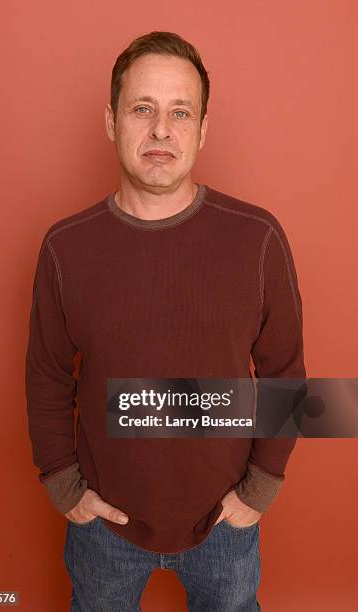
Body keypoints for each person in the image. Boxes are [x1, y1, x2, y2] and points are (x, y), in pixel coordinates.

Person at [25, 30, 306, 611]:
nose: (161, 130)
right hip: (103, 526)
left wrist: (261, 489)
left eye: (181, 112)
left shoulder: (258, 238)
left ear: (203, 129)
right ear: (111, 121)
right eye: (142, 109)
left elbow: (288, 371)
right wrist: (62, 484)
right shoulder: (64, 247)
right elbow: (46, 375)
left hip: (224, 525)